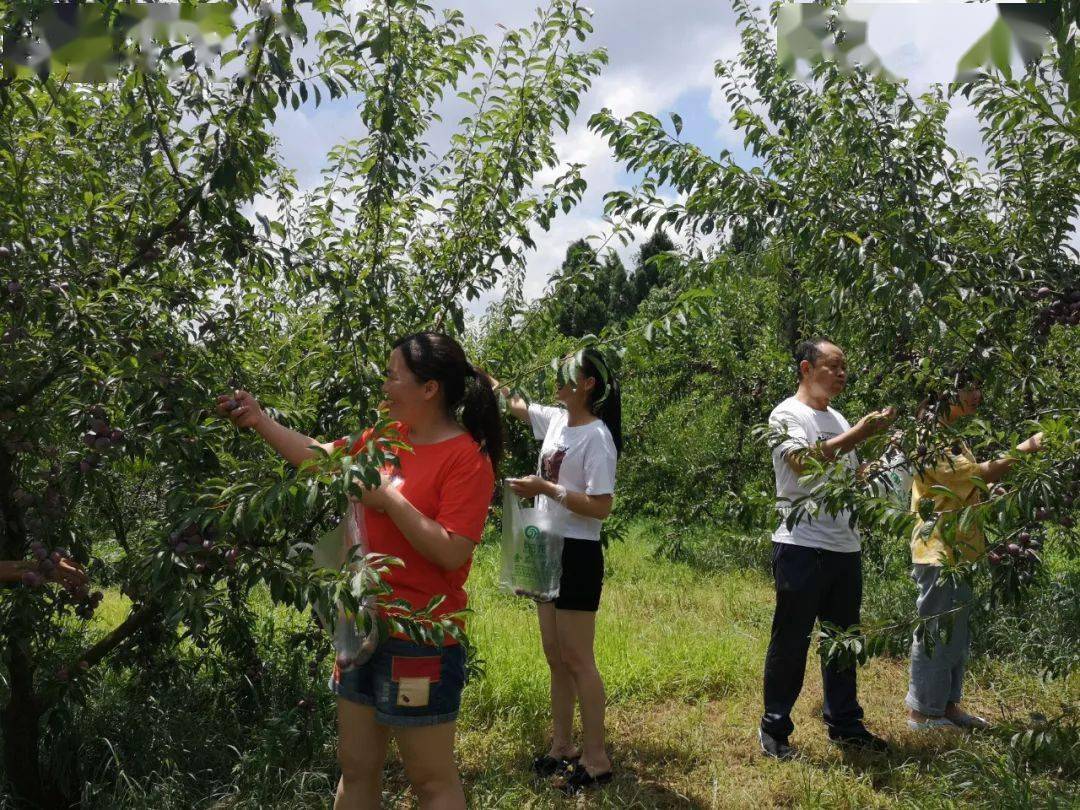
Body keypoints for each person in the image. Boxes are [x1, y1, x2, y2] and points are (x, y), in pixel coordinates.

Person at [217, 332, 500, 810]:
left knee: (431, 781)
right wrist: (260, 420)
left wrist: (388, 498)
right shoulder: (384, 440)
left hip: (421, 638)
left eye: (393, 375)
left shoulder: (466, 459)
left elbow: (452, 552)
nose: (384, 385)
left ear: (429, 388)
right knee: (357, 767)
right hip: (362, 626)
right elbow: (321, 458)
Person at [759, 337, 896, 760]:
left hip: (843, 547)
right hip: (802, 546)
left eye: (844, 369)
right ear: (806, 368)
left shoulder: (836, 417)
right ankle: (775, 728)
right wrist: (860, 434)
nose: (840, 375)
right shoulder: (786, 414)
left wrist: (884, 463)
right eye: (833, 367)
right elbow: (802, 462)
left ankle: (845, 723)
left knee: (841, 640)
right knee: (792, 641)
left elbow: (846, 479)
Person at [492, 349, 620, 792]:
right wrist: (478, 372)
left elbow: (601, 507)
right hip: (546, 545)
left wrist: (546, 487)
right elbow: (514, 402)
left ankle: (597, 757)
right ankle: (562, 745)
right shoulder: (556, 420)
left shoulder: (597, 438)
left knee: (578, 658)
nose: (555, 379)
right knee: (554, 655)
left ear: (588, 384)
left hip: (578, 553)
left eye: (566, 374)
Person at [906, 385, 1042, 731]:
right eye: (972, 388)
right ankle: (923, 713)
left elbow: (967, 487)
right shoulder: (928, 435)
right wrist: (1026, 449)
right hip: (939, 549)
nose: (979, 395)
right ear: (946, 391)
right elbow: (972, 476)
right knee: (937, 629)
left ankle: (948, 706)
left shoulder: (951, 436)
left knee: (957, 633)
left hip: (960, 549)